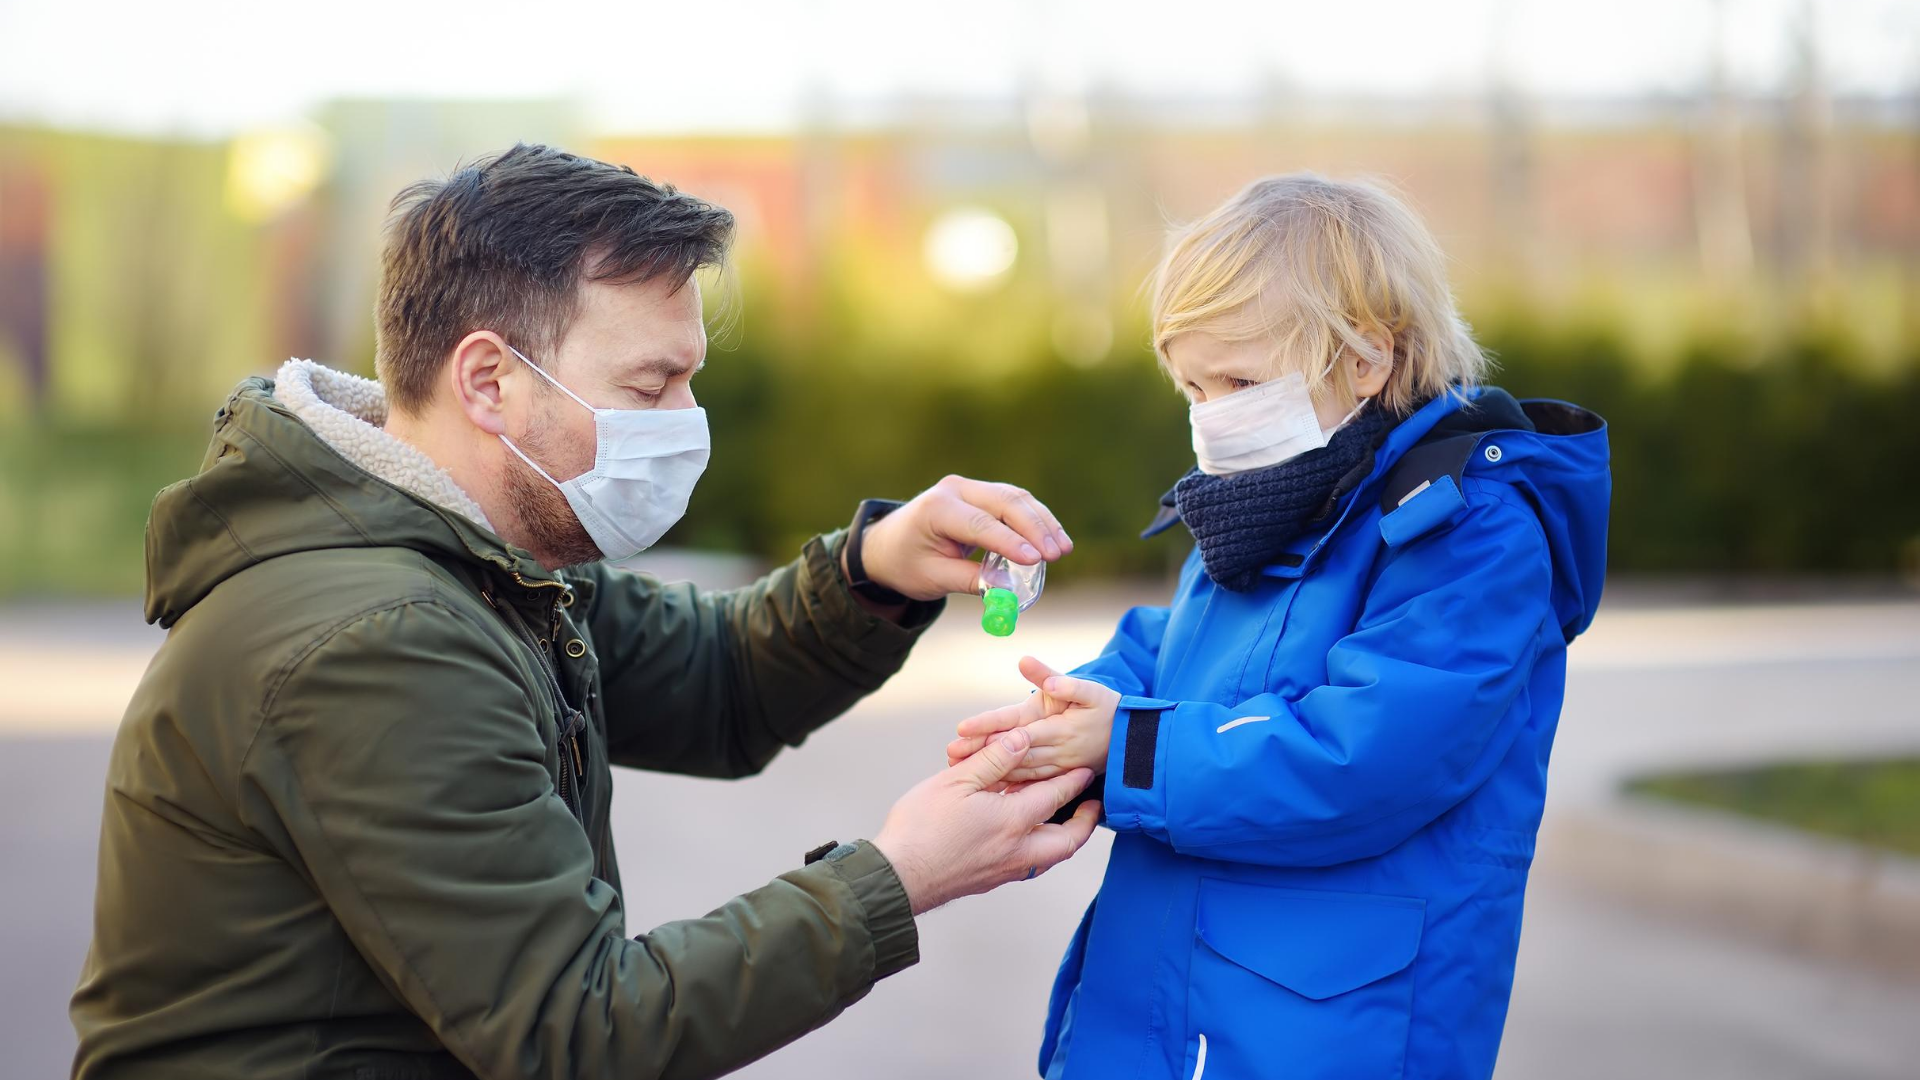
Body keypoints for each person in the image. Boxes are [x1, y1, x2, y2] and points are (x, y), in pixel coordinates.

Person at [69, 143, 1101, 1080]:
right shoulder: (378, 642)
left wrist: (880, 566)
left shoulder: (481, 557)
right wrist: (899, 877)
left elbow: (718, 686)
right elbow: (578, 1032)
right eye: (651, 388)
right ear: (489, 382)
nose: (687, 425)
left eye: (692, 382)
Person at [949, 174, 1611, 1080]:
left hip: (1327, 1025)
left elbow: (1368, 756)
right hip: (1170, 1004)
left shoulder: (1471, 535)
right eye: (1192, 387)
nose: (1212, 417)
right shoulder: (1272, 497)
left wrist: (1128, 749)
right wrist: (1075, 715)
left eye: (1240, 380)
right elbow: (1175, 647)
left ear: (1367, 358)